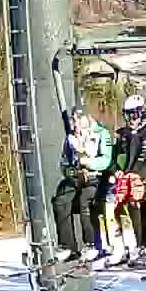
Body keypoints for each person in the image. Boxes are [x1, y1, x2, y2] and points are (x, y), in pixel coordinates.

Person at [108, 95, 146, 266]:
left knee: (137, 200)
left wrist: (139, 175)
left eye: (134, 115)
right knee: (112, 201)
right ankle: (120, 247)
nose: (131, 119)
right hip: (126, 180)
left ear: (142, 113)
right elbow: (115, 158)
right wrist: (117, 171)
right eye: (127, 116)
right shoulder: (123, 135)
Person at [53, 108, 112, 261]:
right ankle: (67, 245)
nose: (75, 124)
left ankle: (91, 243)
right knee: (61, 200)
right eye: (73, 120)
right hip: (77, 178)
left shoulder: (100, 133)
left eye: (78, 120)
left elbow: (106, 160)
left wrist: (88, 163)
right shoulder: (70, 139)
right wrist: (73, 172)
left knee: (85, 199)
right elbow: (64, 163)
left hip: (96, 177)